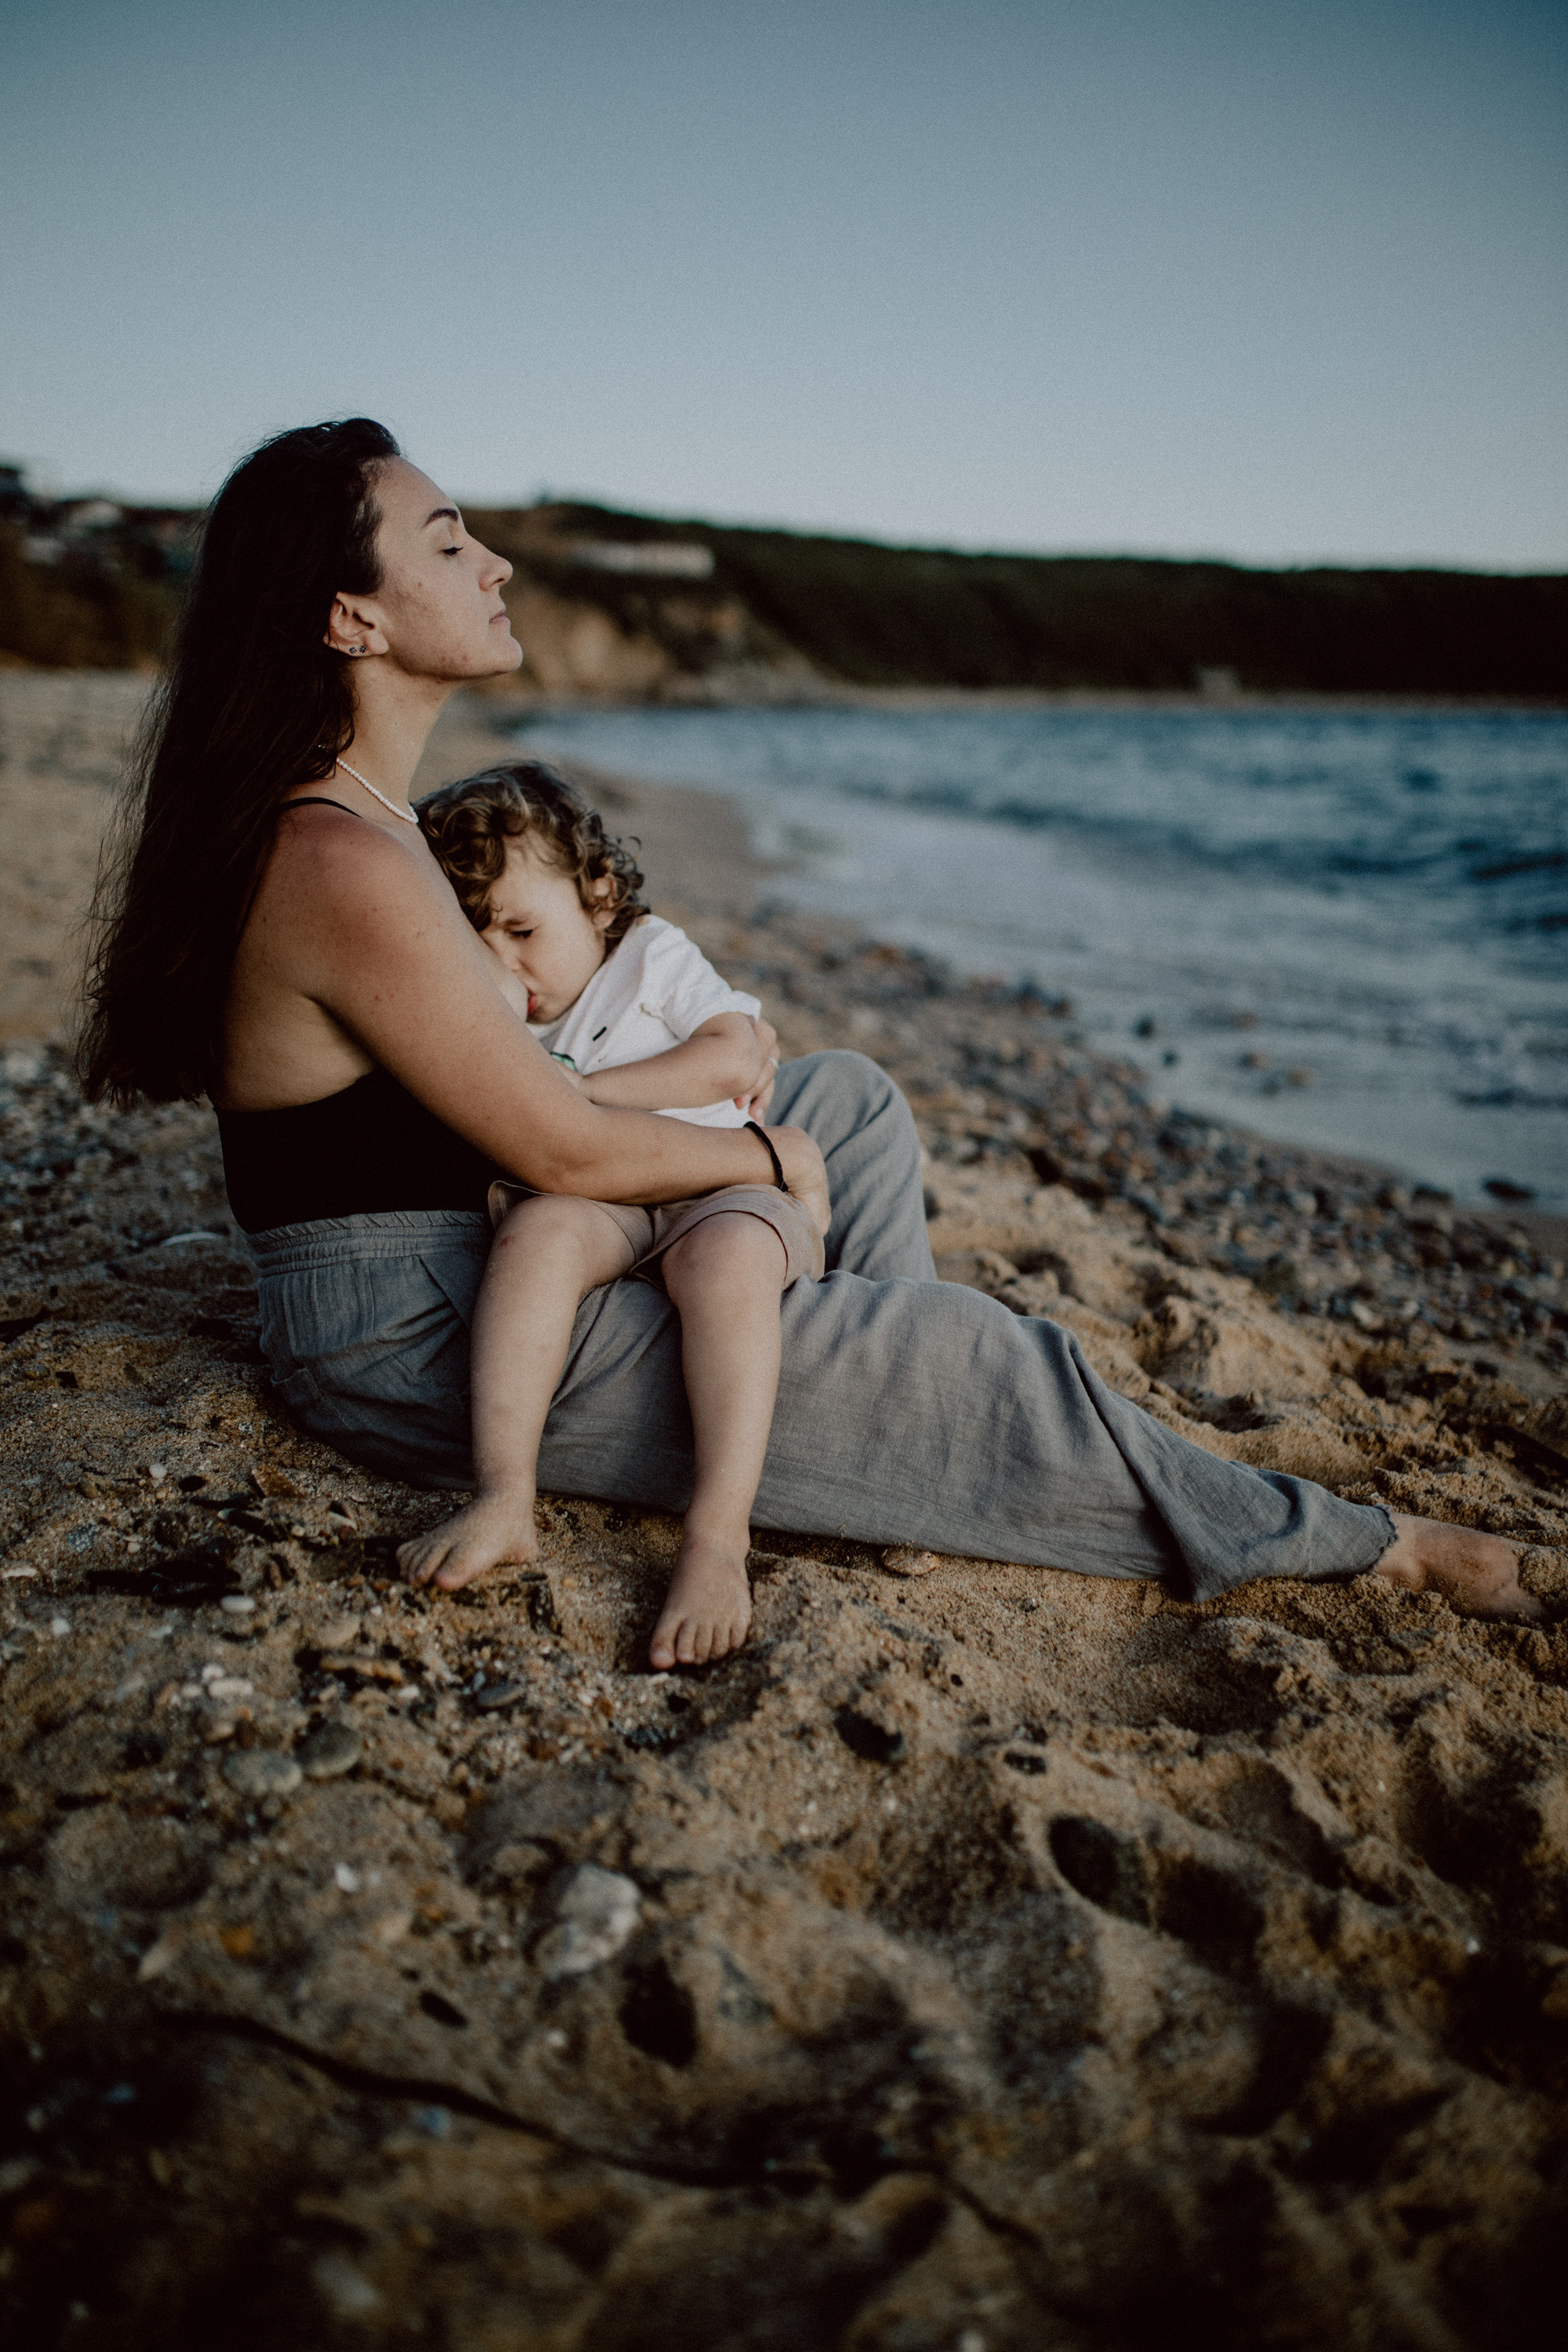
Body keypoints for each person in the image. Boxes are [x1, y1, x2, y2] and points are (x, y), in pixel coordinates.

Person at [78, 417, 1544, 1650]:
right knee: (984, 1357)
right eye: (451, 544)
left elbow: (547, 1100)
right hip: (408, 1332)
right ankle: (1385, 1546)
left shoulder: (371, 824)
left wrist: (772, 1131)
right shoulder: (338, 859)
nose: (497, 563)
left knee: (848, 1098)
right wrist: (761, 1159)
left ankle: (846, 1385)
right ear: (353, 618)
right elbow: (559, 1142)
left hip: (483, 1232)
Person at [399, 764, 825, 1666]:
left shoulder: (649, 956)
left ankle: (717, 1537)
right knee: (536, 1233)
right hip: (599, 1199)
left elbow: (729, 1059)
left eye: (522, 930)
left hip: (718, 1180)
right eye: (479, 940)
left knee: (726, 1265)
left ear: (597, 897)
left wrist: (577, 1091)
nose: (506, 962)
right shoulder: (493, 1005)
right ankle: (504, 1493)